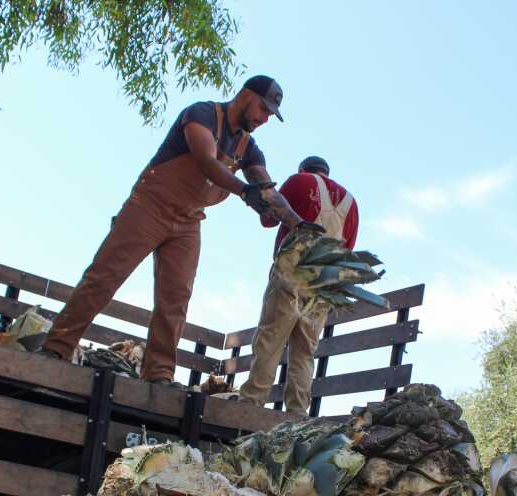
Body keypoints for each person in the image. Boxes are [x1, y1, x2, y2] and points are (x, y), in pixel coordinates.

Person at [40, 75, 310, 387]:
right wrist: (242, 190)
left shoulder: (249, 148)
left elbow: (267, 190)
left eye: (269, 115)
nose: (264, 118)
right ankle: (57, 347)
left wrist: (297, 223)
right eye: (263, 109)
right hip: (150, 205)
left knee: (176, 298)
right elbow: (206, 161)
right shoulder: (202, 114)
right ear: (247, 95)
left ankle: (159, 374)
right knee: (104, 277)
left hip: (188, 221)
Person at [238, 156, 359, 414]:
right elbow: (348, 250)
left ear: (303, 169)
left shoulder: (299, 181)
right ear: (327, 172)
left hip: (292, 272)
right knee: (304, 352)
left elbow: (269, 219)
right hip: (325, 283)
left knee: (270, 341)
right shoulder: (351, 202)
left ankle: (249, 407)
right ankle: (297, 415)